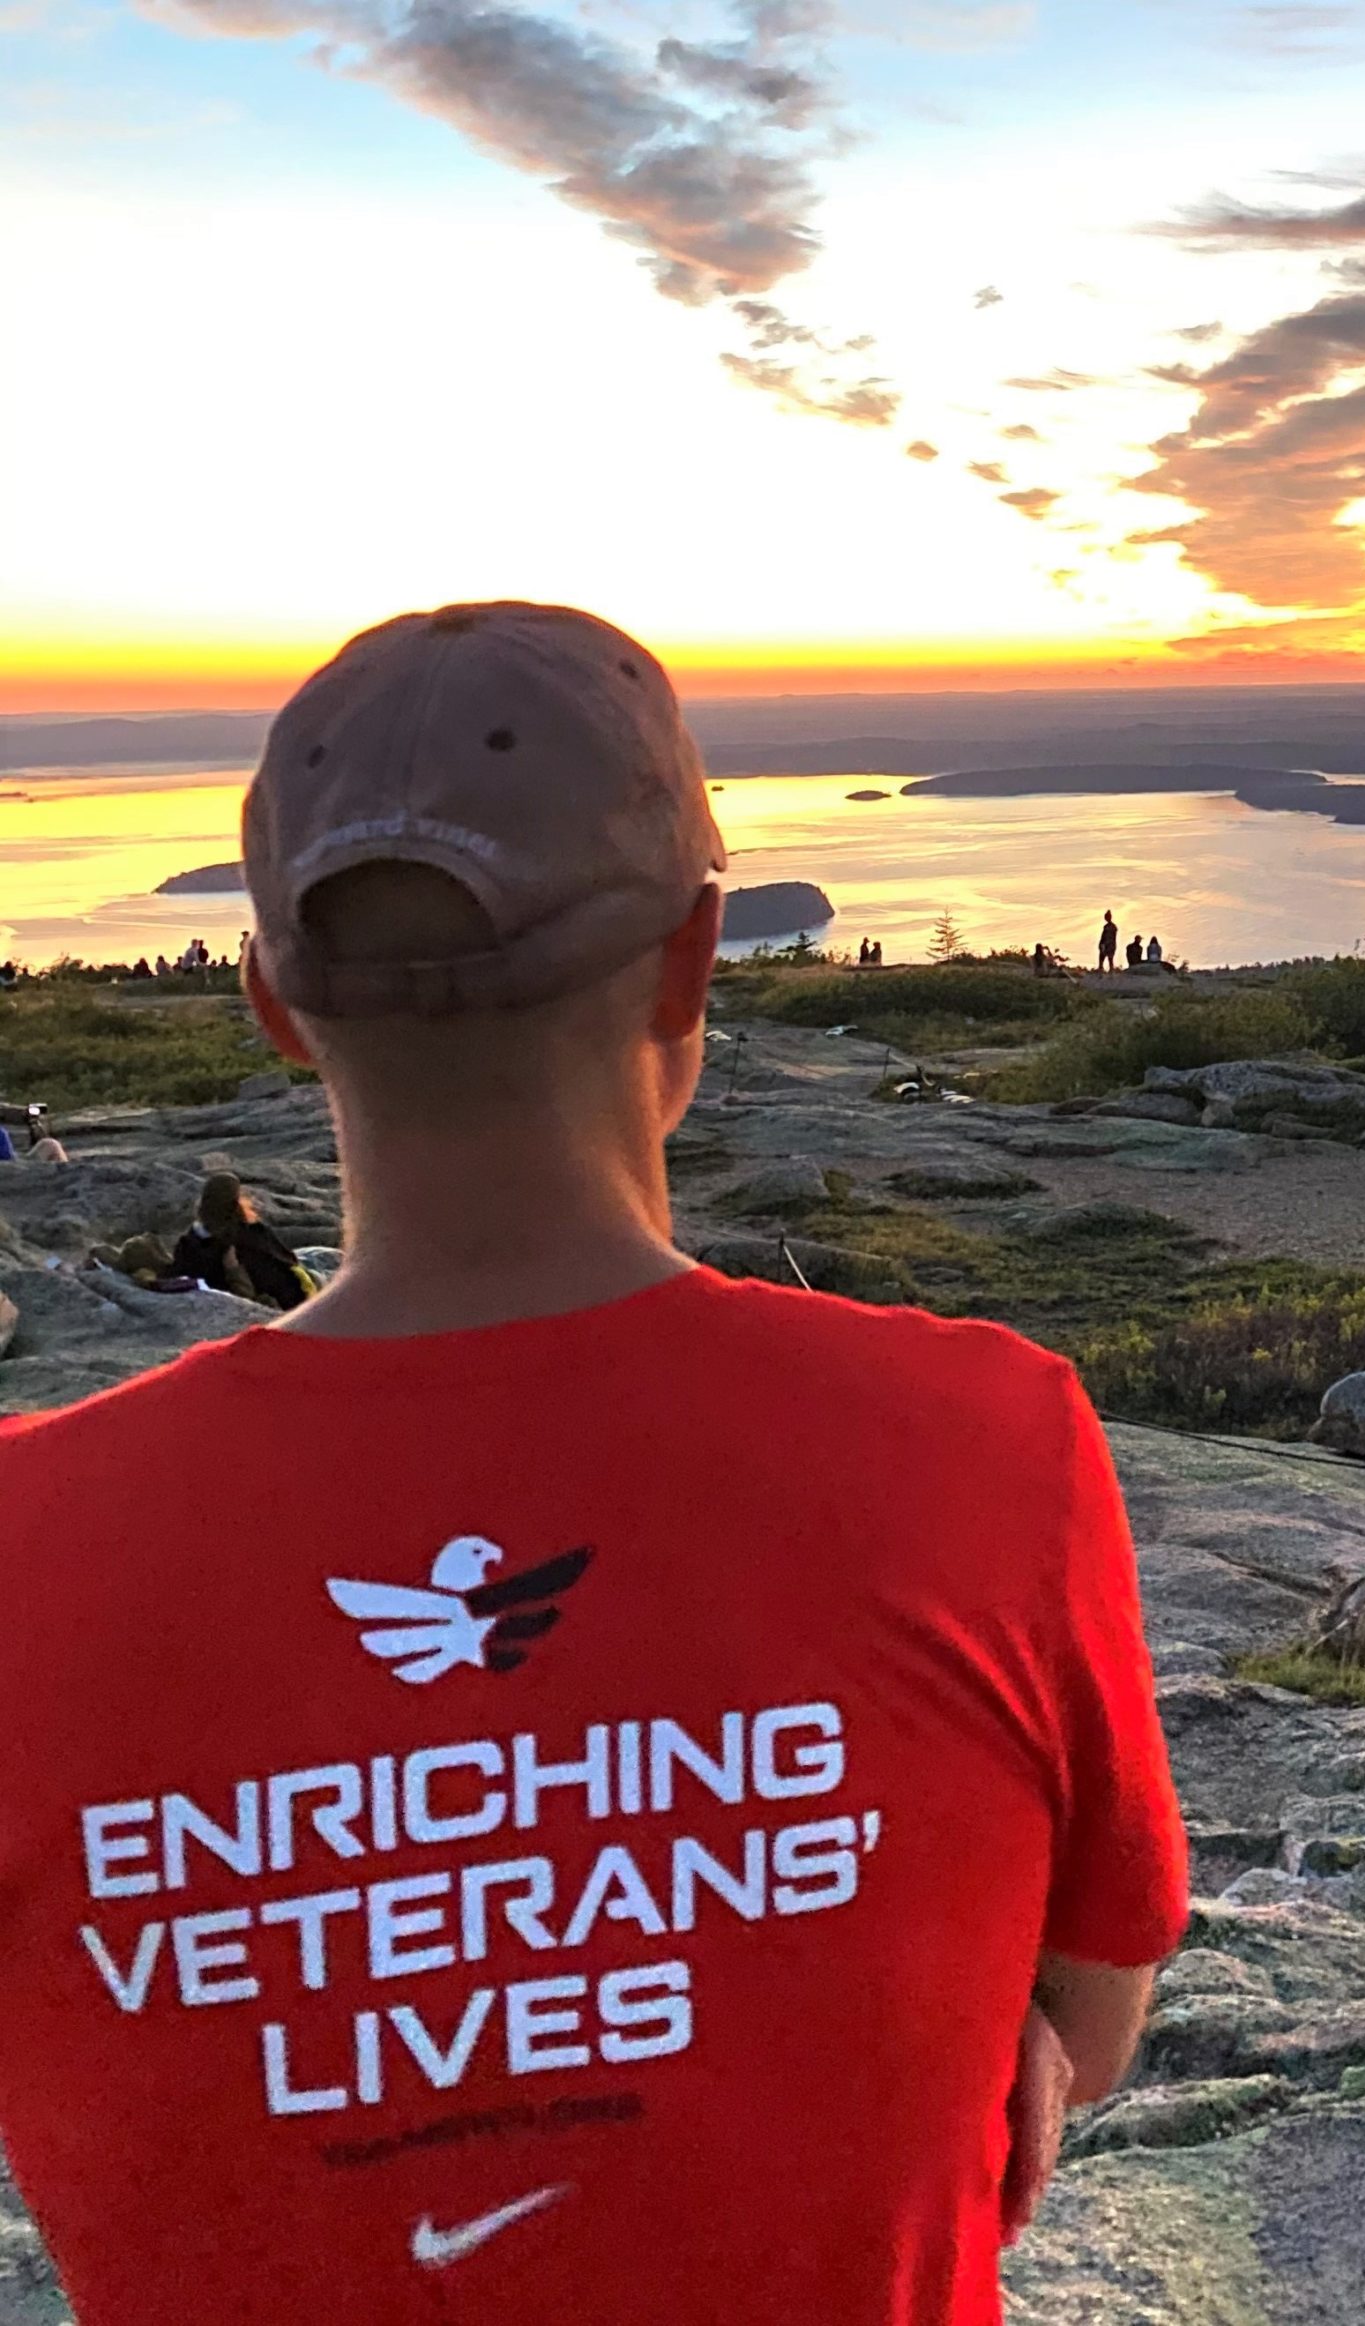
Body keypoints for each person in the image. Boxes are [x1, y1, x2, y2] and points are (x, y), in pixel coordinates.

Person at [0, 603, 1185, 2326]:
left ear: (270, 1004)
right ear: (698, 959)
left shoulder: (28, 1548)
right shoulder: (981, 1444)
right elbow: (1085, 2013)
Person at [167, 1171, 313, 1309]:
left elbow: (179, 1272)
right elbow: (285, 1263)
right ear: (235, 1201)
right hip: (283, 1299)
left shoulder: (190, 1241)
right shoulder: (251, 1235)